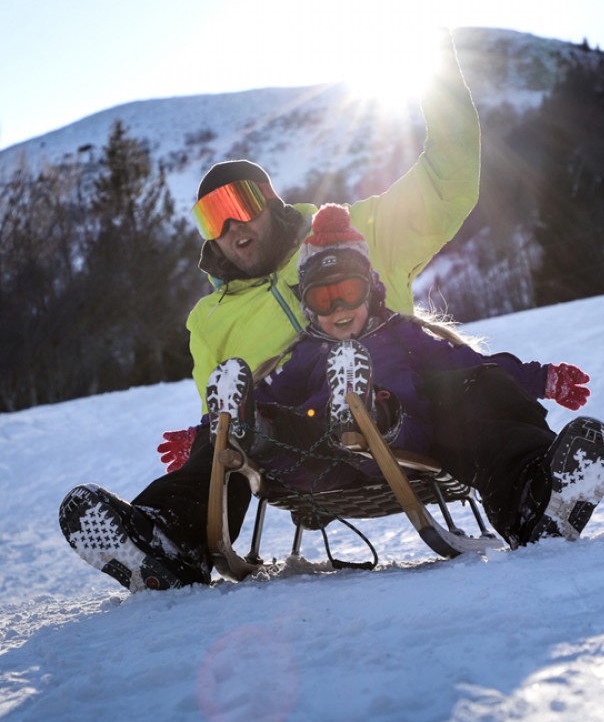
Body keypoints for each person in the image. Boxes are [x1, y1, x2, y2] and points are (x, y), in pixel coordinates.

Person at [58, 30, 482, 592]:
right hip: (293, 448)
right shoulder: (211, 319)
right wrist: (206, 433)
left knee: (466, 389)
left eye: (240, 205)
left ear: (273, 203)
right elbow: (221, 414)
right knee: (232, 426)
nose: (231, 227)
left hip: (394, 415)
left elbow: (448, 179)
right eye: (213, 219)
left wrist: (440, 76)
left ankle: (525, 483)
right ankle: (167, 536)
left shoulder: (358, 235)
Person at [205, 204, 604, 552]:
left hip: (405, 441)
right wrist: (209, 431)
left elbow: (468, 362)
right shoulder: (305, 354)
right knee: (281, 420)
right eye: (324, 299)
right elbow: (267, 394)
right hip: (324, 459)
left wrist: (540, 378)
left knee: (481, 383)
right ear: (308, 307)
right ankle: (261, 433)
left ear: (370, 291)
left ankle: (535, 493)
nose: (339, 307)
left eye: (349, 292)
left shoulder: (403, 336)